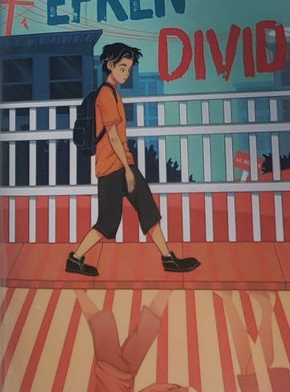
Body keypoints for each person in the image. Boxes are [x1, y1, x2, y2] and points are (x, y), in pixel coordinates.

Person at [66, 42, 200, 276]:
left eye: (129, 69)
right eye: (122, 68)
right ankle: (75, 259)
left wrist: (128, 167)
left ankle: (167, 258)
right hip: (113, 167)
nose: (126, 73)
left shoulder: (113, 93)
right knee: (108, 221)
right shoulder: (106, 95)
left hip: (122, 164)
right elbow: (112, 136)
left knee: (147, 209)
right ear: (110, 65)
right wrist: (127, 170)